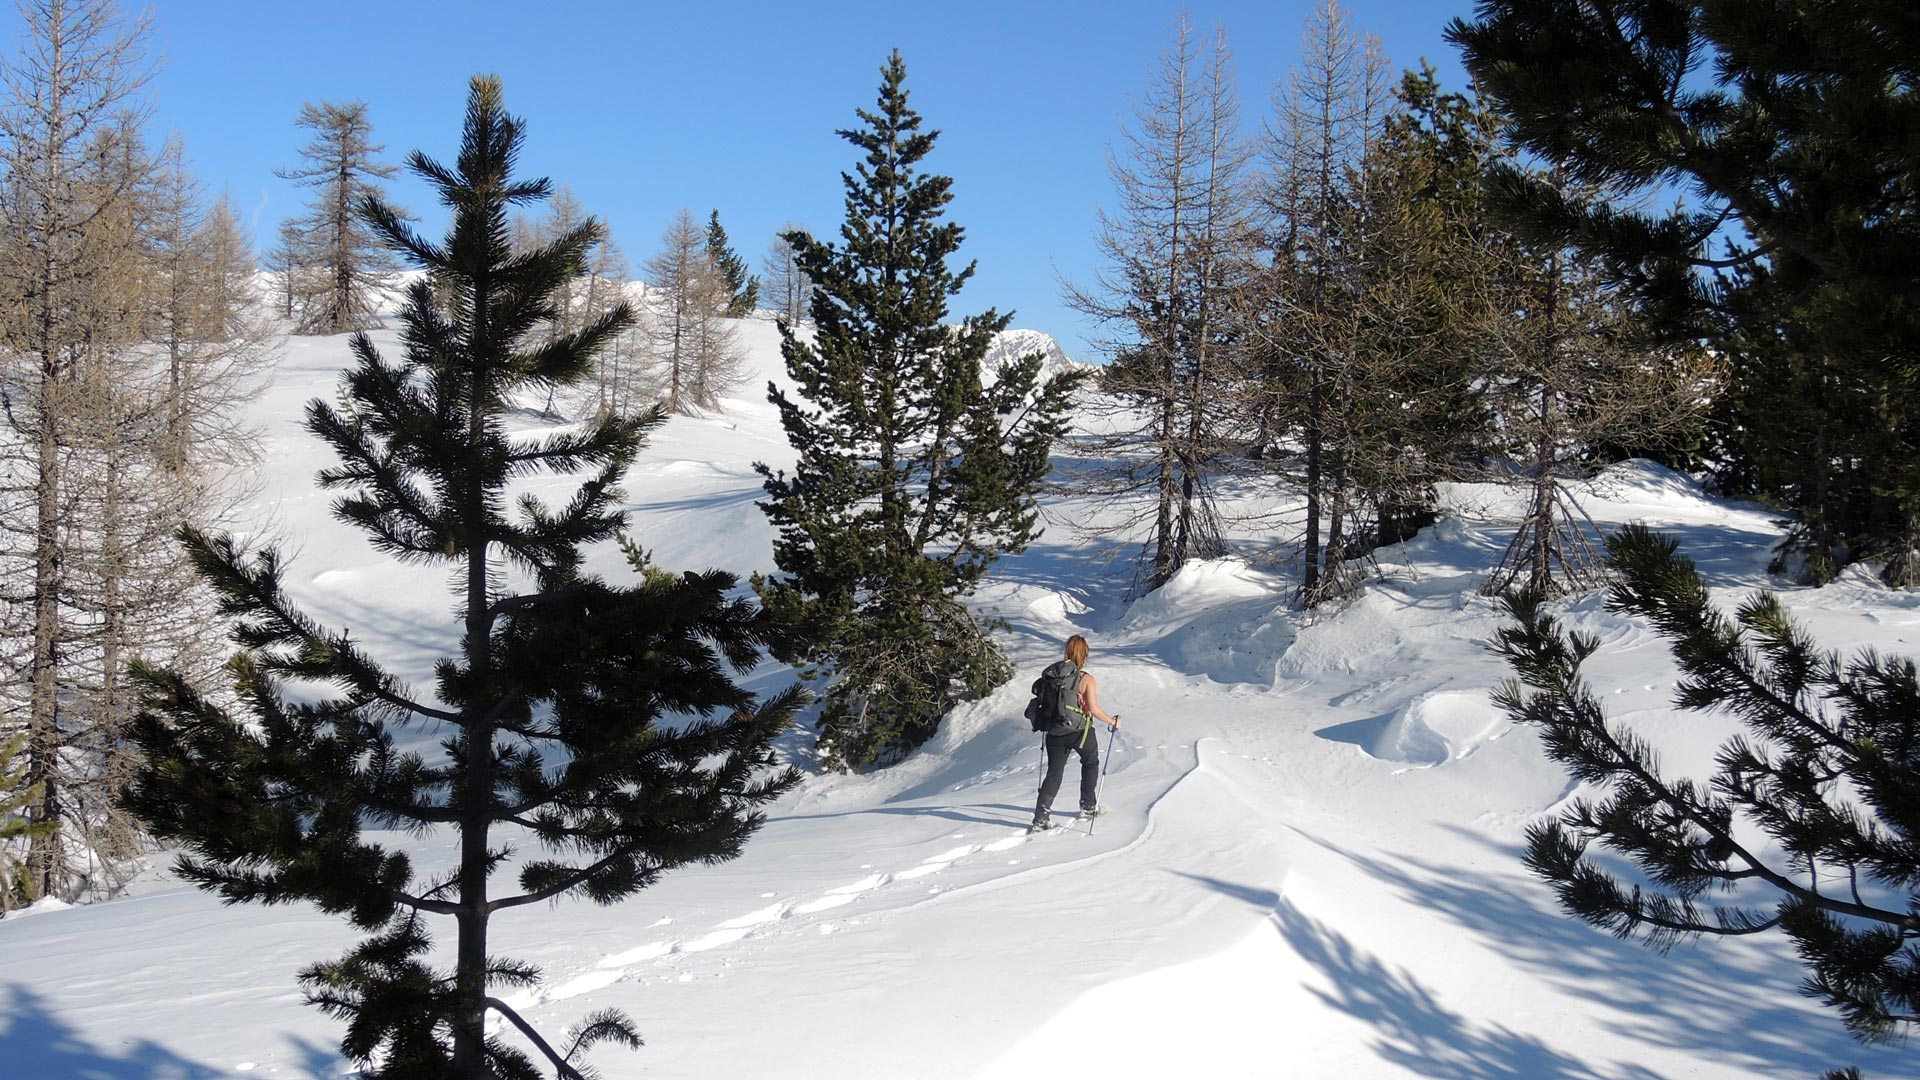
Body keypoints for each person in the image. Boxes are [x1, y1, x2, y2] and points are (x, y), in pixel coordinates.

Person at [1031, 634, 1121, 832]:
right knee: (1090, 763)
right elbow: (1093, 709)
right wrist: (1112, 721)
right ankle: (1087, 806)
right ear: (1084, 654)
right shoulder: (1086, 679)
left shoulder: (1051, 675)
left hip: (1054, 731)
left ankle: (1040, 817)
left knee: (1054, 773)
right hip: (1080, 731)